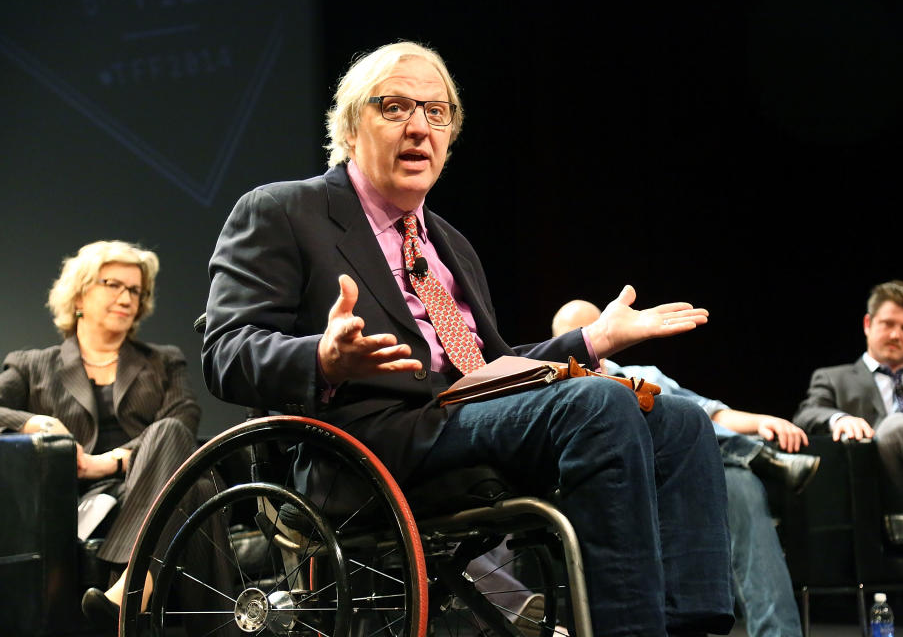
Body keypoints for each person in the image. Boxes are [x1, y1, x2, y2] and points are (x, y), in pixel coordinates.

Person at [202, 40, 735, 636]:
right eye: (396, 107)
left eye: (436, 113)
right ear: (352, 126)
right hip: (368, 443)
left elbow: (489, 367)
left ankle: (689, 626)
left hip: (466, 422)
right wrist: (323, 358)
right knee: (603, 406)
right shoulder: (282, 211)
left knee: (682, 421)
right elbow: (227, 351)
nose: (419, 128)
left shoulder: (449, 244)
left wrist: (591, 340)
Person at [550, 299, 815, 637]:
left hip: (687, 475)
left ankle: (779, 633)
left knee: (741, 484)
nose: (590, 344)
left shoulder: (645, 375)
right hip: (621, 483)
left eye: (594, 330)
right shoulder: (556, 389)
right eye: (577, 337)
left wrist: (766, 421)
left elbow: (712, 414)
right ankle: (754, 455)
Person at [0, 240, 203, 629]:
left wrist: (110, 461)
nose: (127, 297)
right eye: (114, 284)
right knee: (199, 494)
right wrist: (33, 423)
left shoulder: (163, 361)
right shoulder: (31, 366)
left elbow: (185, 416)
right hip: (88, 504)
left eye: (135, 290)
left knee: (172, 433)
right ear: (79, 292)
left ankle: (128, 590)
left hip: (152, 480)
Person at [794, 279, 903, 513]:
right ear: (868, 324)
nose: (895, 335)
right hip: (892, 481)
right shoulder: (834, 378)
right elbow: (807, 414)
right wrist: (840, 419)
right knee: (896, 427)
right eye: (888, 324)